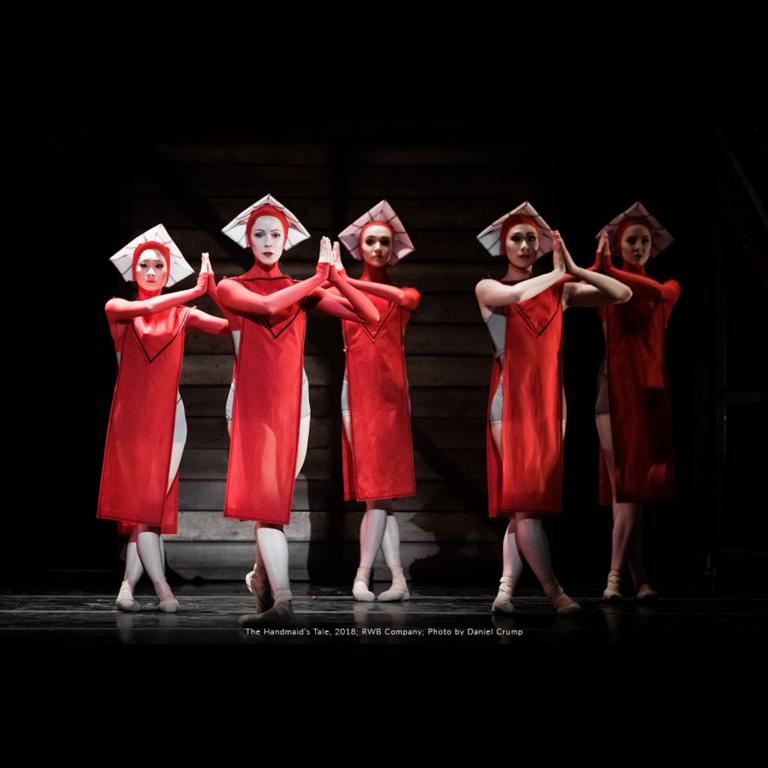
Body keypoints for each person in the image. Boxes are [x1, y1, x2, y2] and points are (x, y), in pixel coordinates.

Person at [217, 194, 379, 624]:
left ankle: (261, 578)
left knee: (272, 501)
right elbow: (269, 306)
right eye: (259, 234)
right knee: (266, 503)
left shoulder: (301, 289)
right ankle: (284, 602)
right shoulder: (230, 286)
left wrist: (339, 278)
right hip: (250, 403)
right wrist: (316, 280)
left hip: (294, 402)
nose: (267, 241)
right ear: (248, 240)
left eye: (275, 234)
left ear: (286, 239)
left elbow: (369, 315)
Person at [475, 201, 632, 615]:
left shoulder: (560, 290)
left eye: (531, 238)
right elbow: (514, 294)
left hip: (550, 407)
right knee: (525, 504)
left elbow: (623, 293)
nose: (525, 245)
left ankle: (505, 590)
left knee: (522, 506)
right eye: (517, 238)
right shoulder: (488, 287)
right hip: (509, 404)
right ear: (503, 246)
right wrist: (556, 274)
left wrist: (575, 271)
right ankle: (553, 591)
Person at [98, 225, 229, 612]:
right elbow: (147, 308)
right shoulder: (117, 308)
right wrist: (194, 290)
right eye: (145, 265)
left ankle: (128, 587)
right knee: (143, 510)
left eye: (159, 265)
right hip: (132, 423)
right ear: (134, 271)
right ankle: (163, 591)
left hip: (172, 420)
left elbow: (229, 328)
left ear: (167, 270)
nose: (151, 271)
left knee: (148, 509)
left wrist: (221, 293)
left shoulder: (184, 315)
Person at [331, 200, 420, 601]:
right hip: (358, 395)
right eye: (371, 241)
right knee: (376, 493)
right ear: (359, 247)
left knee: (385, 492)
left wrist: (346, 280)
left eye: (385, 242)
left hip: (392, 397)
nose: (379, 248)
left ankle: (372, 577)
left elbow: (405, 300)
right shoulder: (340, 293)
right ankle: (383, 577)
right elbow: (316, 295)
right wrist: (336, 279)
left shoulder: (404, 292)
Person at [591, 202, 681, 601]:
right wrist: (601, 263)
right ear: (619, 244)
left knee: (634, 492)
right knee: (623, 490)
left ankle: (636, 575)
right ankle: (619, 578)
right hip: (612, 393)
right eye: (632, 240)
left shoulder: (669, 287)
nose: (640, 245)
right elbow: (590, 281)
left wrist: (610, 268)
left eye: (645, 240)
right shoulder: (605, 286)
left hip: (647, 394)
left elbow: (656, 291)